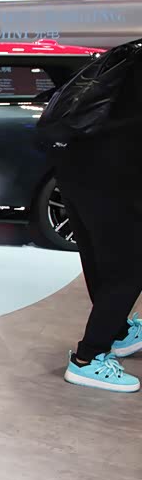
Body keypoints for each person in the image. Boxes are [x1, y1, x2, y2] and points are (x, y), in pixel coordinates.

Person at [52, 43, 142, 393]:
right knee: (128, 268)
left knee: (100, 259)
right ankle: (88, 357)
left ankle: (116, 331)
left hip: (78, 167)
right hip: (114, 175)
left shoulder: (127, 54)